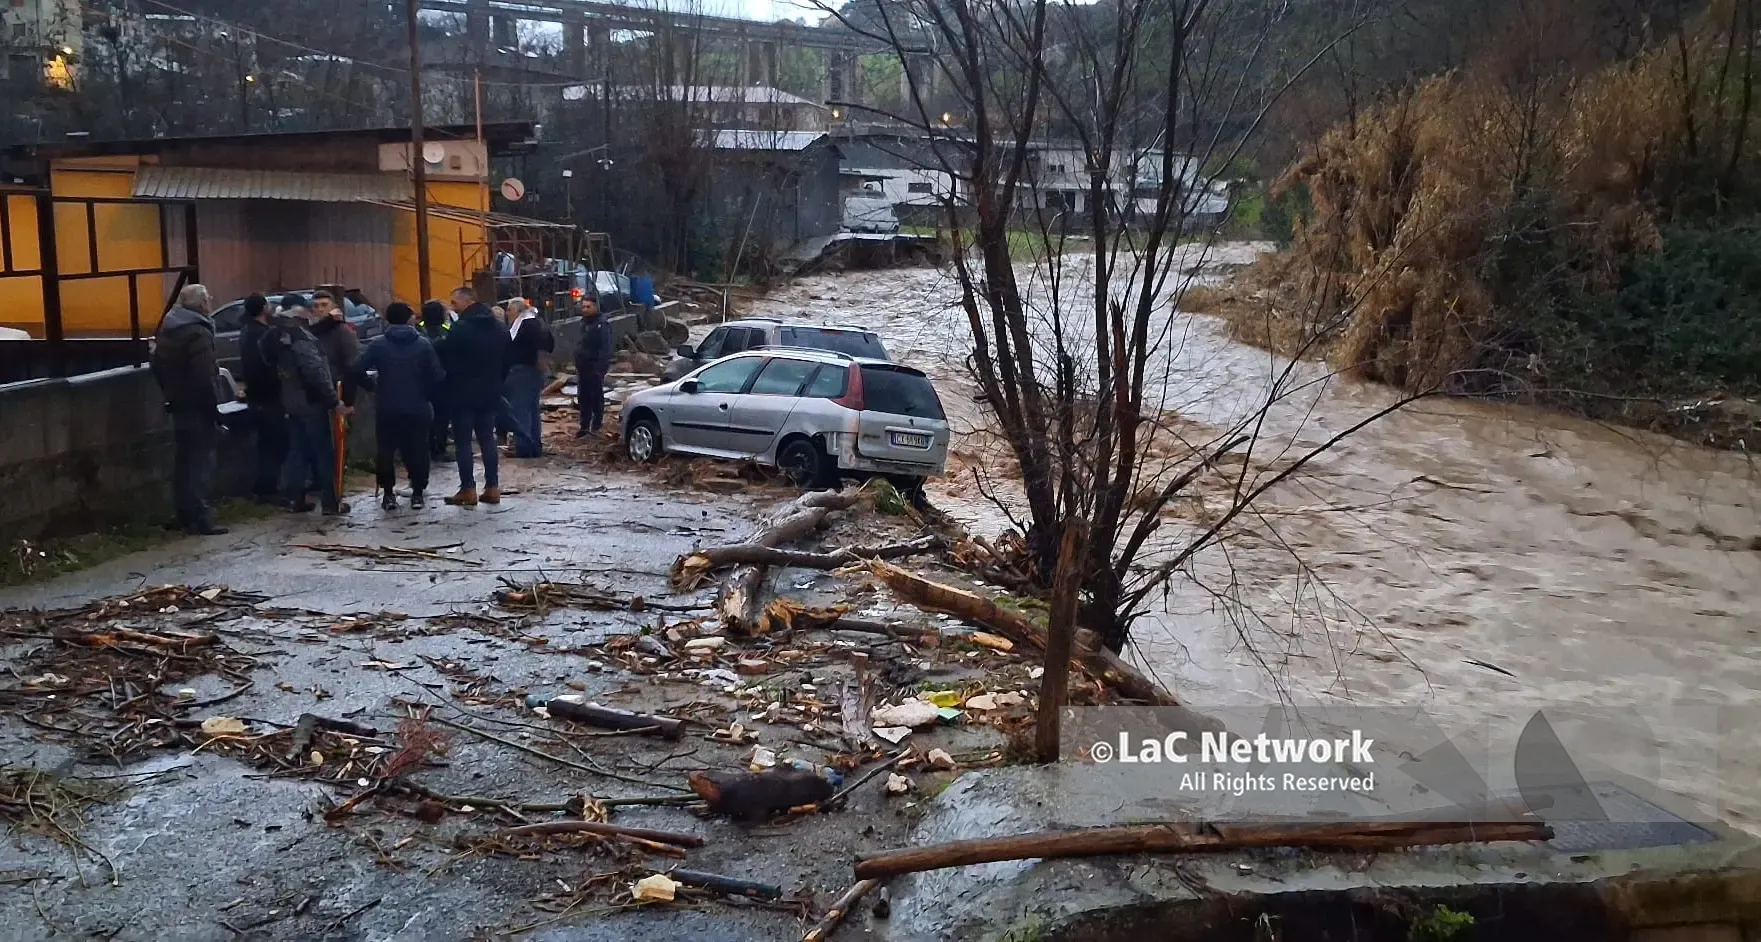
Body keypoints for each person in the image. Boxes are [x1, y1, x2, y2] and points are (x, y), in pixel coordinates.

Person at [149, 283, 229, 536]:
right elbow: (204, 376)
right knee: (200, 464)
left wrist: (170, 393)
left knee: (184, 463)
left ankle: (183, 514)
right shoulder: (198, 333)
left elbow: (156, 364)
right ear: (203, 304)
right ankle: (200, 519)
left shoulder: (169, 329)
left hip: (178, 403)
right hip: (197, 407)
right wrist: (214, 409)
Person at [263, 294, 350, 516]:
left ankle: (294, 498)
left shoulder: (277, 337)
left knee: (298, 451)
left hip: (291, 402)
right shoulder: (301, 338)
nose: (313, 314)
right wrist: (334, 400)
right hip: (311, 402)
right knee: (322, 452)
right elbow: (315, 372)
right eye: (310, 309)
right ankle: (330, 502)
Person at [356, 302, 444, 511]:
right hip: (418, 406)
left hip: (388, 405)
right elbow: (437, 375)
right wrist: (427, 394)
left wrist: (372, 386)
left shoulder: (378, 345)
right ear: (409, 319)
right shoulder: (423, 344)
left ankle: (388, 494)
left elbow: (357, 369)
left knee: (386, 450)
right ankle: (417, 493)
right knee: (418, 449)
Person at [437, 285, 510, 507]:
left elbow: (446, 358)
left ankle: (468, 488)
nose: (452, 307)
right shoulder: (499, 328)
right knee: (488, 439)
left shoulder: (461, 328)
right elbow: (507, 360)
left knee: (463, 443)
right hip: (490, 392)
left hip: (462, 393)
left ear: (468, 302)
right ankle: (493, 487)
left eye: (455, 303)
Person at [237, 293, 286, 503]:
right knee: (273, 444)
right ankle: (267, 489)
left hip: (255, 395)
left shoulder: (246, 332)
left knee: (266, 443)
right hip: (269, 396)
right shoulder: (264, 335)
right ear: (264, 308)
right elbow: (271, 366)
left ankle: (263, 488)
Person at [504, 298, 554, 458]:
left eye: (509, 310)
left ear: (518, 311)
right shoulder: (538, 323)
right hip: (534, 371)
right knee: (532, 409)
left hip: (523, 371)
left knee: (521, 410)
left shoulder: (525, 326)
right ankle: (534, 445)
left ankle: (523, 446)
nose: (507, 313)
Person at [574, 297, 613, 439]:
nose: (585, 310)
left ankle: (596, 425)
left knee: (595, 396)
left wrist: (600, 368)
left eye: (588, 307)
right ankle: (584, 426)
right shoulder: (584, 324)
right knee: (583, 397)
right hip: (583, 366)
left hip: (595, 366)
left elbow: (605, 348)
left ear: (596, 307)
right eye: (583, 307)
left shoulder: (602, 325)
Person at [420, 300, 453, 460]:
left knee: (434, 417)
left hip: (426, 380)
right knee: (440, 417)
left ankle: (431, 447)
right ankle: (438, 449)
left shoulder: (419, 329)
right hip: (442, 379)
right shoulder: (445, 331)